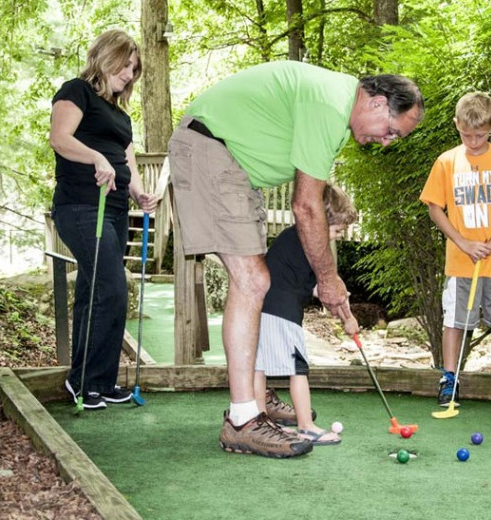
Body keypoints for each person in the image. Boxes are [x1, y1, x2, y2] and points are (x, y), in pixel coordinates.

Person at [168, 60, 424, 458]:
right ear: (376, 103)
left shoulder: (336, 109)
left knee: (255, 280)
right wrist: (329, 279)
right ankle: (242, 419)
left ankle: (255, 399)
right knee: (253, 280)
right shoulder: (330, 104)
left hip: (234, 165)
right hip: (211, 150)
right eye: (391, 131)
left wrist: (328, 278)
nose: (388, 141)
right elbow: (307, 206)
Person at [49, 30, 157, 410]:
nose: (130, 74)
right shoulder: (76, 91)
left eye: (134, 69)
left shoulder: (121, 116)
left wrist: (140, 193)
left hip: (113, 212)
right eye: (125, 64)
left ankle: (98, 383)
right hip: (80, 206)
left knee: (100, 290)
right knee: (110, 287)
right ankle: (85, 382)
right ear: (105, 56)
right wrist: (96, 158)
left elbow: (127, 161)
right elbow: (60, 138)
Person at [419, 92, 491, 413]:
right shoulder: (446, 162)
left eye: (480, 135)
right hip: (460, 261)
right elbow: (434, 207)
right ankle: (449, 379)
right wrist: (463, 242)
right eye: (466, 134)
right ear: (456, 125)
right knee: (455, 321)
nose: (472, 140)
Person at [254, 184, 359, 446]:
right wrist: (348, 318)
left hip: (263, 308)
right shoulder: (311, 243)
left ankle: (259, 422)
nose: (336, 237)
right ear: (320, 221)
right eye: (336, 230)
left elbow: (317, 286)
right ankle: (306, 426)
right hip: (282, 312)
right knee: (297, 368)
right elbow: (329, 290)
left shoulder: (293, 238)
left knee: (259, 367)